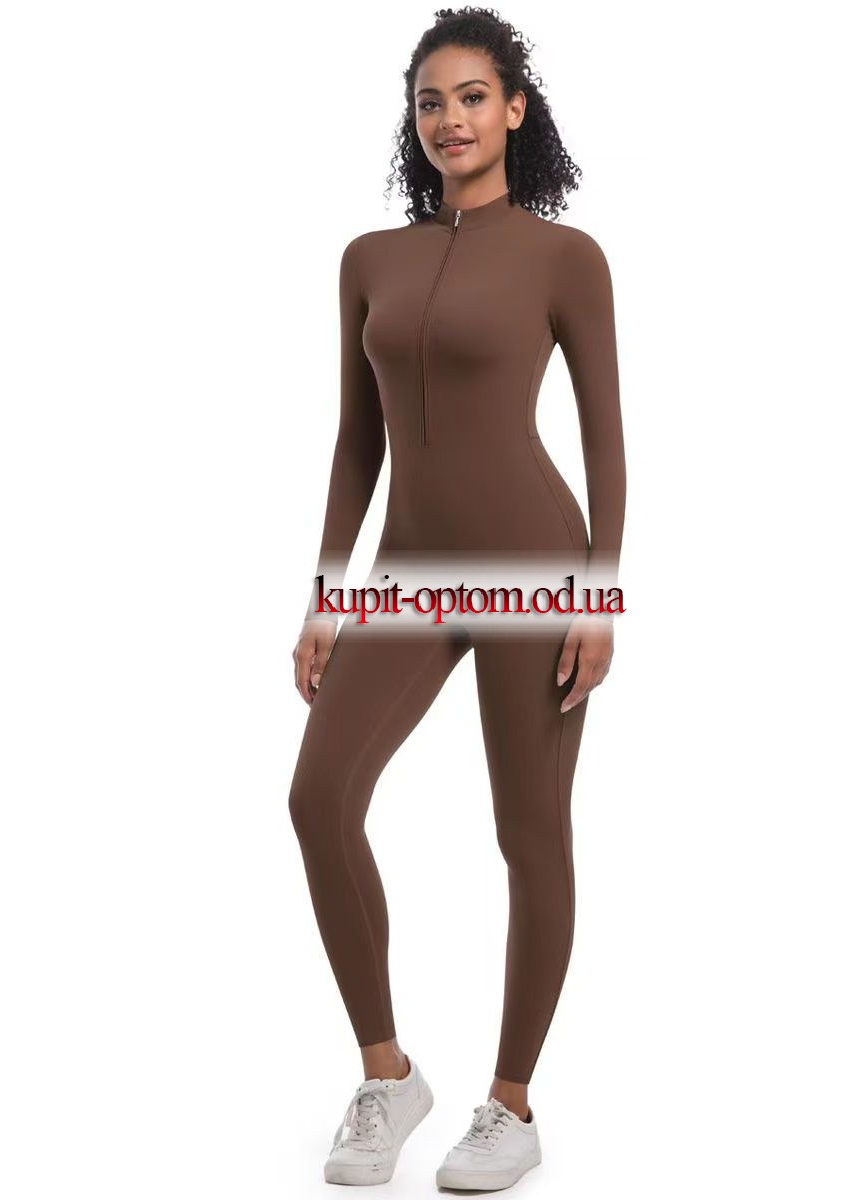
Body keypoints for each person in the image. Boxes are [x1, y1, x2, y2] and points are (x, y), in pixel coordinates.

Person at [287, 9, 626, 1190]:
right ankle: (388, 1076)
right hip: (411, 574)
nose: (451, 120)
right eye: (431, 101)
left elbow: (605, 437)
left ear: (515, 109)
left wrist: (601, 595)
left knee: (528, 833)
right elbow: (357, 442)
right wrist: (327, 591)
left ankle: (511, 1106)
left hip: (536, 568)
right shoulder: (368, 260)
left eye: (473, 97)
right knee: (319, 796)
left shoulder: (565, 258)